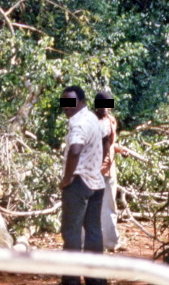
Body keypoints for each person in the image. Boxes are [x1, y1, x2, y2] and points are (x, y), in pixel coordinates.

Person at [59, 86, 106, 285]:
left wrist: (67, 178)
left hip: (79, 182)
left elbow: (75, 150)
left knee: (72, 232)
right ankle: (96, 279)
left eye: (70, 103)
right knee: (94, 232)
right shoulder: (92, 118)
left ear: (80, 101)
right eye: (64, 103)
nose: (66, 107)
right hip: (96, 182)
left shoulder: (78, 123)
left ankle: (71, 280)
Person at [94, 91, 132, 252]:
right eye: (103, 107)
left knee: (109, 206)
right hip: (95, 171)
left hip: (109, 170)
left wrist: (119, 149)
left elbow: (109, 144)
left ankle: (111, 242)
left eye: (108, 107)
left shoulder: (111, 121)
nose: (106, 110)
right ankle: (86, 244)